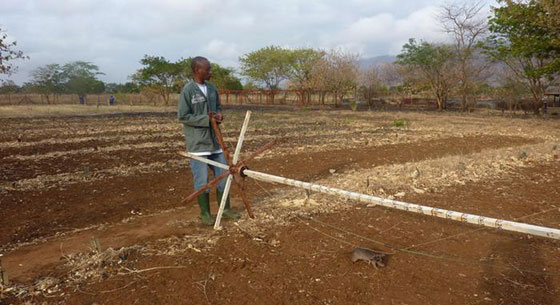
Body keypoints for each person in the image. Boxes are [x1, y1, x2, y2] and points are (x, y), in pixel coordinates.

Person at [177, 56, 240, 225]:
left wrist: (219, 116)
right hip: (198, 145)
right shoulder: (188, 91)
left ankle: (225, 210)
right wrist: (206, 120)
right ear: (198, 70)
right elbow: (183, 116)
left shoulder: (212, 89)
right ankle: (205, 214)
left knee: (224, 176)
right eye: (208, 69)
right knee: (202, 181)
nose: (210, 72)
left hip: (216, 143)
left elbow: (218, 108)